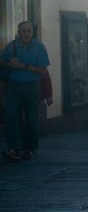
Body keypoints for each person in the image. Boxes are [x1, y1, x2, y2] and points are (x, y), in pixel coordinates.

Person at [0, 21, 50, 160]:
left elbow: (43, 70)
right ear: (18, 32)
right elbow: (3, 61)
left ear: (32, 32)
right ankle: (14, 148)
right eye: (23, 31)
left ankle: (30, 147)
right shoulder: (11, 46)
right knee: (12, 117)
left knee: (31, 118)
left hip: (31, 86)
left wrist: (24, 66)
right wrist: (9, 63)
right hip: (13, 86)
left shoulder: (39, 47)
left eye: (28, 31)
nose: (26, 34)